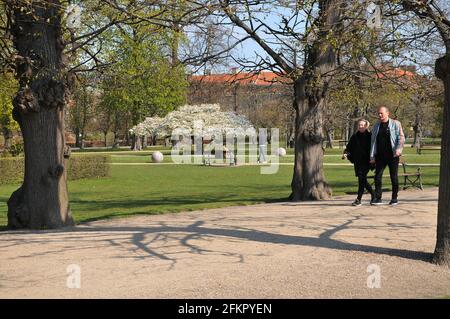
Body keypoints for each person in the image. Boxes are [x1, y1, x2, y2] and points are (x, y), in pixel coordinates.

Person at [369, 106, 405, 206]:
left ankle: (394, 198)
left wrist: (399, 149)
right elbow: (373, 142)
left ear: (387, 113)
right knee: (377, 177)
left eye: (381, 113)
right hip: (380, 156)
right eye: (378, 113)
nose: (380, 115)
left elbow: (401, 138)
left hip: (393, 155)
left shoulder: (396, 124)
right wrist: (372, 156)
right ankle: (378, 198)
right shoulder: (376, 126)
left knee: (393, 177)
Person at [342, 119, 374, 206]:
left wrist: (374, 159)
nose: (360, 126)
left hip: (367, 161)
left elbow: (374, 148)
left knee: (361, 178)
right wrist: (345, 154)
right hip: (357, 161)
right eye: (359, 125)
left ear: (366, 126)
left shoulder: (370, 136)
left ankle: (358, 199)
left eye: (362, 125)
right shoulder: (354, 136)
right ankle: (373, 194)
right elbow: (349, 148)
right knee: (362, 179)